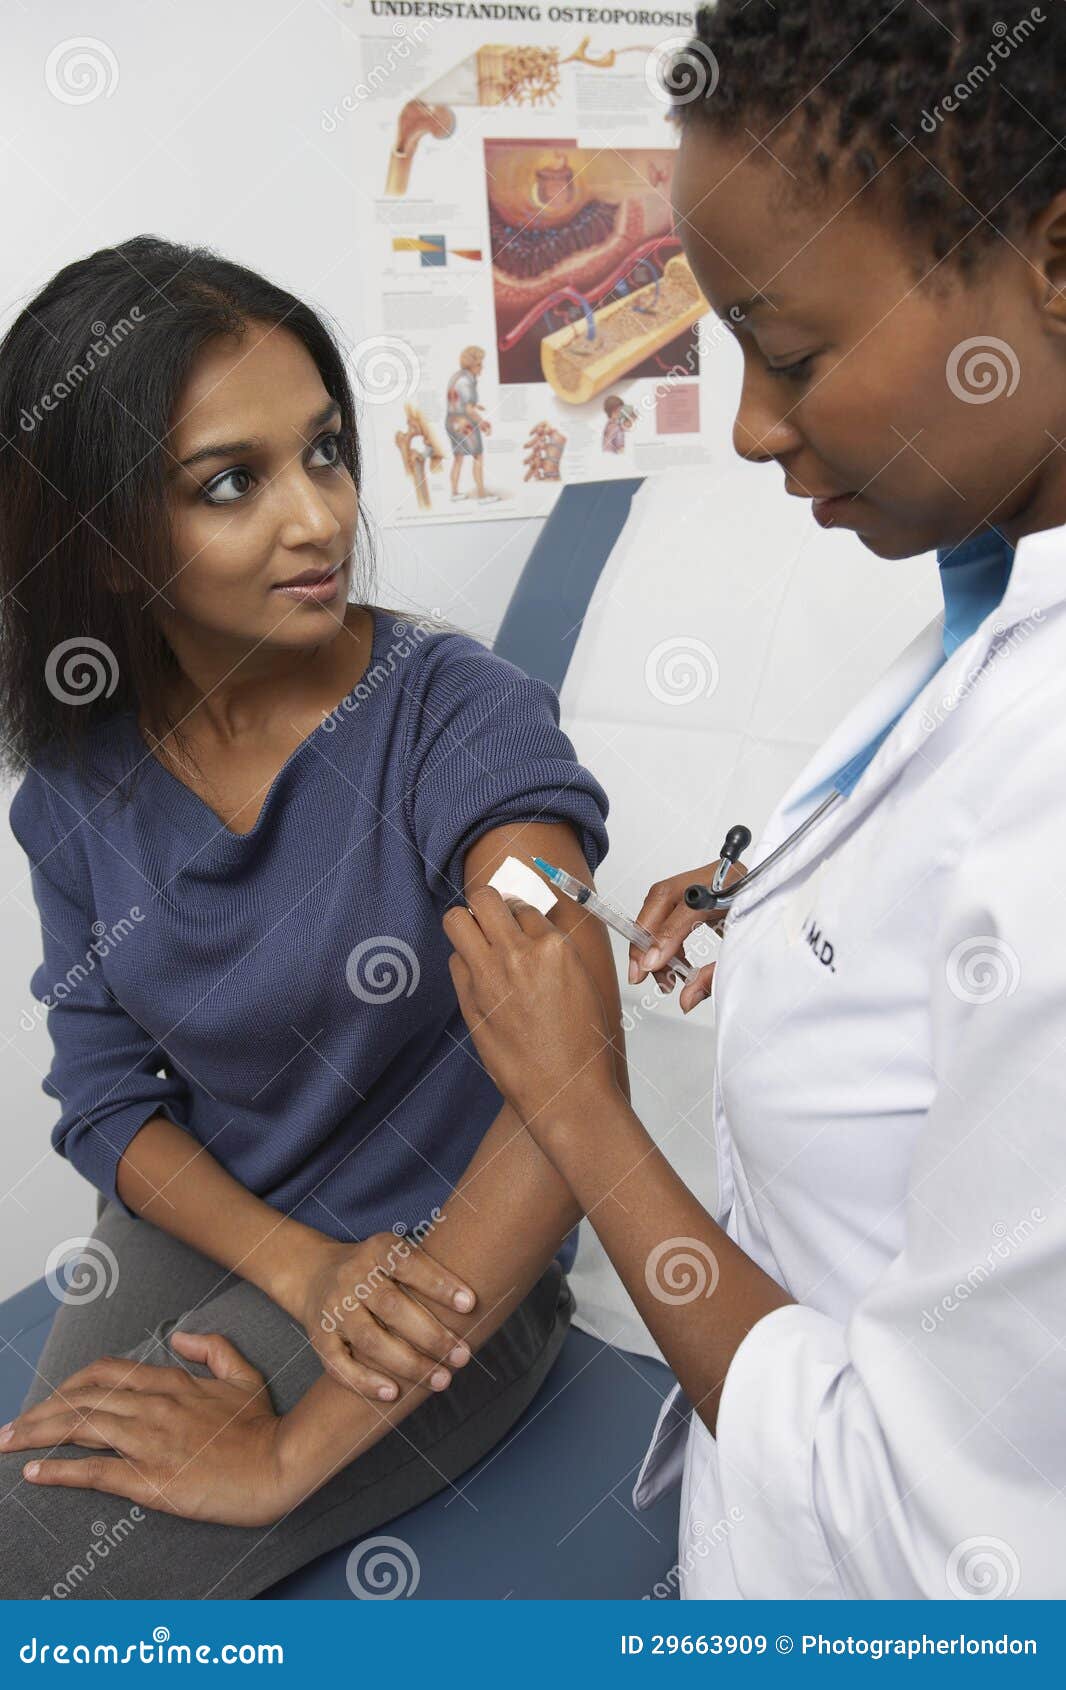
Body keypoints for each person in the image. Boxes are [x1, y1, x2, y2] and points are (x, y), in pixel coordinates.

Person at [440, 0, 1066, 1599]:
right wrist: (771, 897)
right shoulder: (982, 593)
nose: (748, 425)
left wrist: (578, 1103)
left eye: (787, 354)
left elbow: (937, 1544)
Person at [0, 237, 623, 1598]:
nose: (320, 518)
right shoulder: (77, 776)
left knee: (46, 1570)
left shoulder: (463, 719)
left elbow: (569, 1042)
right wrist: (297, 1264)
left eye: (325, 451)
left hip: (453, 1261)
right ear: (102, 544)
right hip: (228, 1214)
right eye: (233, 483)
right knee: (24, 1512)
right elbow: (108, 1100)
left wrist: (286, 1452)